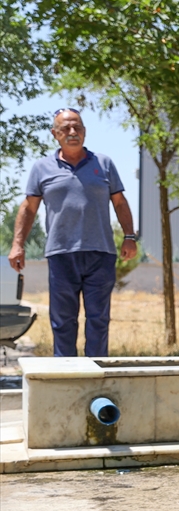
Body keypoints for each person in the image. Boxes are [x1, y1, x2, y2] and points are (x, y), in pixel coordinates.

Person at [7, 108, 138, 357]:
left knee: (98, 319)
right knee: (63, 321)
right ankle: (65, 375)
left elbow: (120, 203)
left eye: (77, 127)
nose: (72, 132)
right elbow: (29, 208)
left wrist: (129, 236)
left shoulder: (104, 163)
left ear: (85, 131)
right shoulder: (41, 168)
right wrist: (18, 244)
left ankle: (95, 373)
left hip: (100, 253)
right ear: (55, 133)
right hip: (61, 253)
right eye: (65, 128)